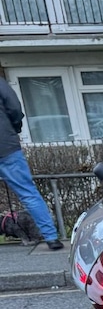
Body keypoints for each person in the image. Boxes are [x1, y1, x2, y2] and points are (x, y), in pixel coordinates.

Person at [0, 77, 61, 250]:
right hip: (6, 146)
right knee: (28, 193)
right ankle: (51, 238)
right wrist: (15, 128)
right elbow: (14, 108)